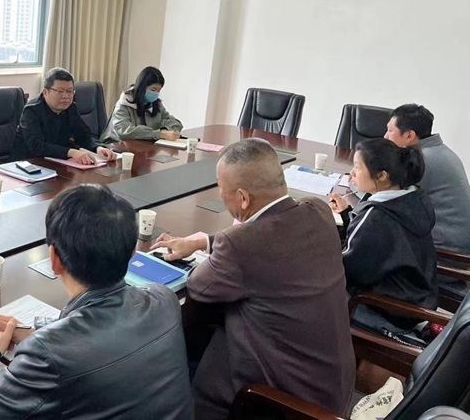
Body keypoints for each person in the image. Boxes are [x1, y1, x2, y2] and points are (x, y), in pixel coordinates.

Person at [0, 185, 193, 419]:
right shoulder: (164, 299)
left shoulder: (48, 355)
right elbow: (103, 333)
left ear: (54, 259)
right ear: (132, 254)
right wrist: (39, 332)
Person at [152, 138, 354, 420]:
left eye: (221, 189)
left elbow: (199, 286)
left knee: (176, 354)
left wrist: (231, 237)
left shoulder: (240, 244)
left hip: (285, 401)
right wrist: (202, 241)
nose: (220, 194)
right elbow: (272, 241)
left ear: (243, 198)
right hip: (333, 386)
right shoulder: (318, 211)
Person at [330, 138, 438, 330]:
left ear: (381, 176)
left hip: (388, 310)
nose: (351, 173)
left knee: (316, 288)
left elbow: (346, 268)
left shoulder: (376, 217)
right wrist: (348, 215)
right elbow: (375, 243)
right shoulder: (414, 198)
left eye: (357, 167)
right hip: (418, 301)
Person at [385, 104, 470, 256]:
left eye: (390, 131)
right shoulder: (440, 150)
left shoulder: (422, 160)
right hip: (456, 238)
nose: (386, 136)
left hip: (446, 248)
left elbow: (388, 197)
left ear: (409, 135)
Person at [9, 67, 116, 164]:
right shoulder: (32, 110)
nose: (66, 96)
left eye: (69, 91)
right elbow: (37, 146)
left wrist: (98, 147)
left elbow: (83, 134)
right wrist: (71, 152)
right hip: (28, 163)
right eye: (60, 91)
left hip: (57, 161)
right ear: (45, 92)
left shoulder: (71, 108)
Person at [101, 65, 183, 143]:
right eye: (153, 89)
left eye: (158, 90)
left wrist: (165, 130)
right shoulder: (124, 103)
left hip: (142, 145)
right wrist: (159, 134)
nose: (156, 93)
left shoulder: (156, 104)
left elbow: (175, 122)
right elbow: (124, 131)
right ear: (142, 87)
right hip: (116, 145)